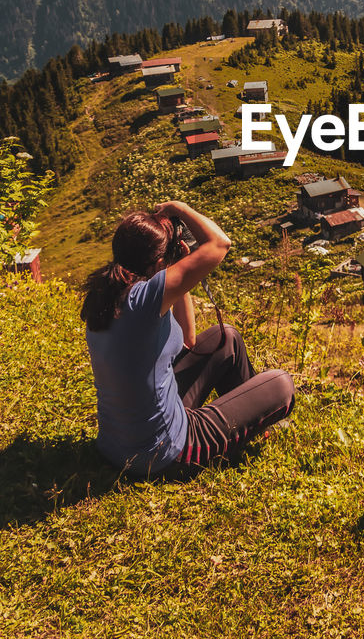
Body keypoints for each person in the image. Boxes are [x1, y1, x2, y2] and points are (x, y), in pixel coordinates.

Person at [80, 201, 295, 477]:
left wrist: (180, 271)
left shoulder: (111, 293)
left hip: (117, 446)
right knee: (282, 383)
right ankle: (249, 423)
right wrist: (179, 208)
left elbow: (189, 342)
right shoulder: (144, 299)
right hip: (164, 452)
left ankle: (251, 418)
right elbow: (219, 243)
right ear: (159, 263)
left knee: (225, 337)